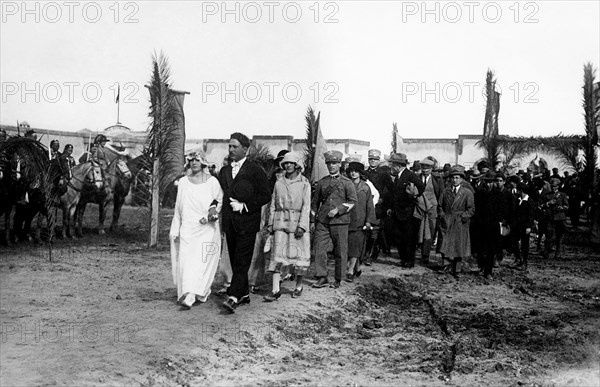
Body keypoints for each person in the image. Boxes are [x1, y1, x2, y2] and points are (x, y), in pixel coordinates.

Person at [218, 132, 271, 313]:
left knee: (242, 260)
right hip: (230, 224)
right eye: (229, 146)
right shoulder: (224, 171)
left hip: (247, 223)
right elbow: (220, 195)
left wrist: (245, 206)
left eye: (235, 146)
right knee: (234, 260)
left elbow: (265, 195)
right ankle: (245, 294)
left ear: (245, 149)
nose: (231, 149)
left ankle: (233, 297)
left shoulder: (255, 169)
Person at [169, 151, 223, 309]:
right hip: (188, 227)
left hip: (206, 227)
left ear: (203, 163)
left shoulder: (212, 182)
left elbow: (218, 202)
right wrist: (175, 228)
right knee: (186, 260)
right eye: (191, 160)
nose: (194, 163)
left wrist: (209, 216)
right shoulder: (184, 182)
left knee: (201, 261)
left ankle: (194, 293)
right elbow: (178, 208)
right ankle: (190, 291)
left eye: (197, 160)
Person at [263, 152, 311, 301]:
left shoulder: (304, 183)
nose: (288, 165)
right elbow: (272, 205)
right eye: (286, 163)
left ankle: (298, 285)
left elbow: (306, 206)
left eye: (291, 163)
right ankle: (275, 289)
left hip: (297, 222)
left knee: (298, 256)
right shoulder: (279, 183)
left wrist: (302, 226)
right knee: (277, 255)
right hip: (280, 222)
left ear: (297, 165)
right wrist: (271, 224)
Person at [311, 150, 357, 289]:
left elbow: (353, 201)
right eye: (330, 163)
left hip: (340, 221)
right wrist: (313, 221)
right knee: (319, 249)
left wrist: (338, 210)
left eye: (335, 163)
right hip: (323, 222)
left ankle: (339, 278)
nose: (332, 166)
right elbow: (315, 203)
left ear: (340, 165)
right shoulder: (322, 182)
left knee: (340, 251)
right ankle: (321, 276)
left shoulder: (347, 182)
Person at [386, 153, 425, 268]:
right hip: (397, 213)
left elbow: (421, 188)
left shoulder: (410, 175)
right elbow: (394, 195)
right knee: (399, 237)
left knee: (409, 238)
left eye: (392, 164)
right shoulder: (398, 176)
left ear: (398, 165)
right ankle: (403, 259)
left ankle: (409, 260)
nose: (391, 166)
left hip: (408, 212)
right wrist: (391, 208)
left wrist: (413, 195)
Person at [439, 165, 475, 278]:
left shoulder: (467, 192)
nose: (455, 180)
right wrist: (443, 216)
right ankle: (445, 265)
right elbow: (439, 206)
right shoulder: (445, 191)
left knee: (459, 245)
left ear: (461, 179)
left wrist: (464, 217)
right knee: (445, 243)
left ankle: (457, 269)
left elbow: (471, 209)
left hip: (460, 221)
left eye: (457, 178)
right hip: (448, 219)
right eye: (453, 178)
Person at [473, 171, 507, 281]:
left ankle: (488, 271)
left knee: (491, 249)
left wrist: (498, 219)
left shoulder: (499, 195)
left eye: (490, 182)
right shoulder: (478, 194)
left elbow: (502, 211)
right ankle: (481, 266)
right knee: (480, 248)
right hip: (480, 225)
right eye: (486, 182)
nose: (488, 184)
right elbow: (475, 210)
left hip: (492, 225)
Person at [345, 161, 376, 281]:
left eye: (356, 171)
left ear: (360, 173)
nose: (353, 173)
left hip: (360, 221)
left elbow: (370, 205)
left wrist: (368, 221)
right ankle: (357, 268)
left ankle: (350, 270)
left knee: (356, 245)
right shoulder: (346, 185)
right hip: (347, 219)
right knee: (350, 246)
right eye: (351, 171)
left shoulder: (365, 187)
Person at [365, 149, 394, 262]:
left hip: (378, 206)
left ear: (378, 161)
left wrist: (384, 200)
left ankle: (372, 256)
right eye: (371, 159)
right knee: (366, 230)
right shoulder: (364, 173)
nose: (373, 161)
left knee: (375, 232)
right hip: (366, 205)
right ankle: (365, 253)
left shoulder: (383, 174)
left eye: (375, 159)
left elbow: (391, 190)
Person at [416, 158, 444, 265]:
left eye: (427, 168)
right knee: (420, 230)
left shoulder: (437, 179)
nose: (425, 170)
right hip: (420, 208)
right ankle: (420, 252)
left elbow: (441, 194)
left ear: (431, 169)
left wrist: (439, 208)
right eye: (423, 168)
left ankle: (426, 255)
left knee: (430, 232)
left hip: (433, 209)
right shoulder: (417, 178)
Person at [540, 178, 569, 259]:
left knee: (559, 236)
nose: (553, 188)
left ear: (558, 186)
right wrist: (548, 203)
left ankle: (558, 253)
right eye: (552, 186)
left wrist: (562, 207)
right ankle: (546, 251)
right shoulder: (547, 195)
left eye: (555, 186)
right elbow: (541, 206)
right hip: (550, 218)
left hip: (560, 218)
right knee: (549, 235)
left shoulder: (562, 195)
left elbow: (567, 206)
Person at [512, 182, 535, 269]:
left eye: (517, 190)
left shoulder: (529, 202)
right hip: (517, 226)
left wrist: (529, 226)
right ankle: (518, 259)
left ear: (521, 191)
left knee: (525, 245)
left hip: (525, 227)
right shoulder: (518, 200)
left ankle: (524, 262)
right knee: (514, 242)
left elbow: (531, 216)